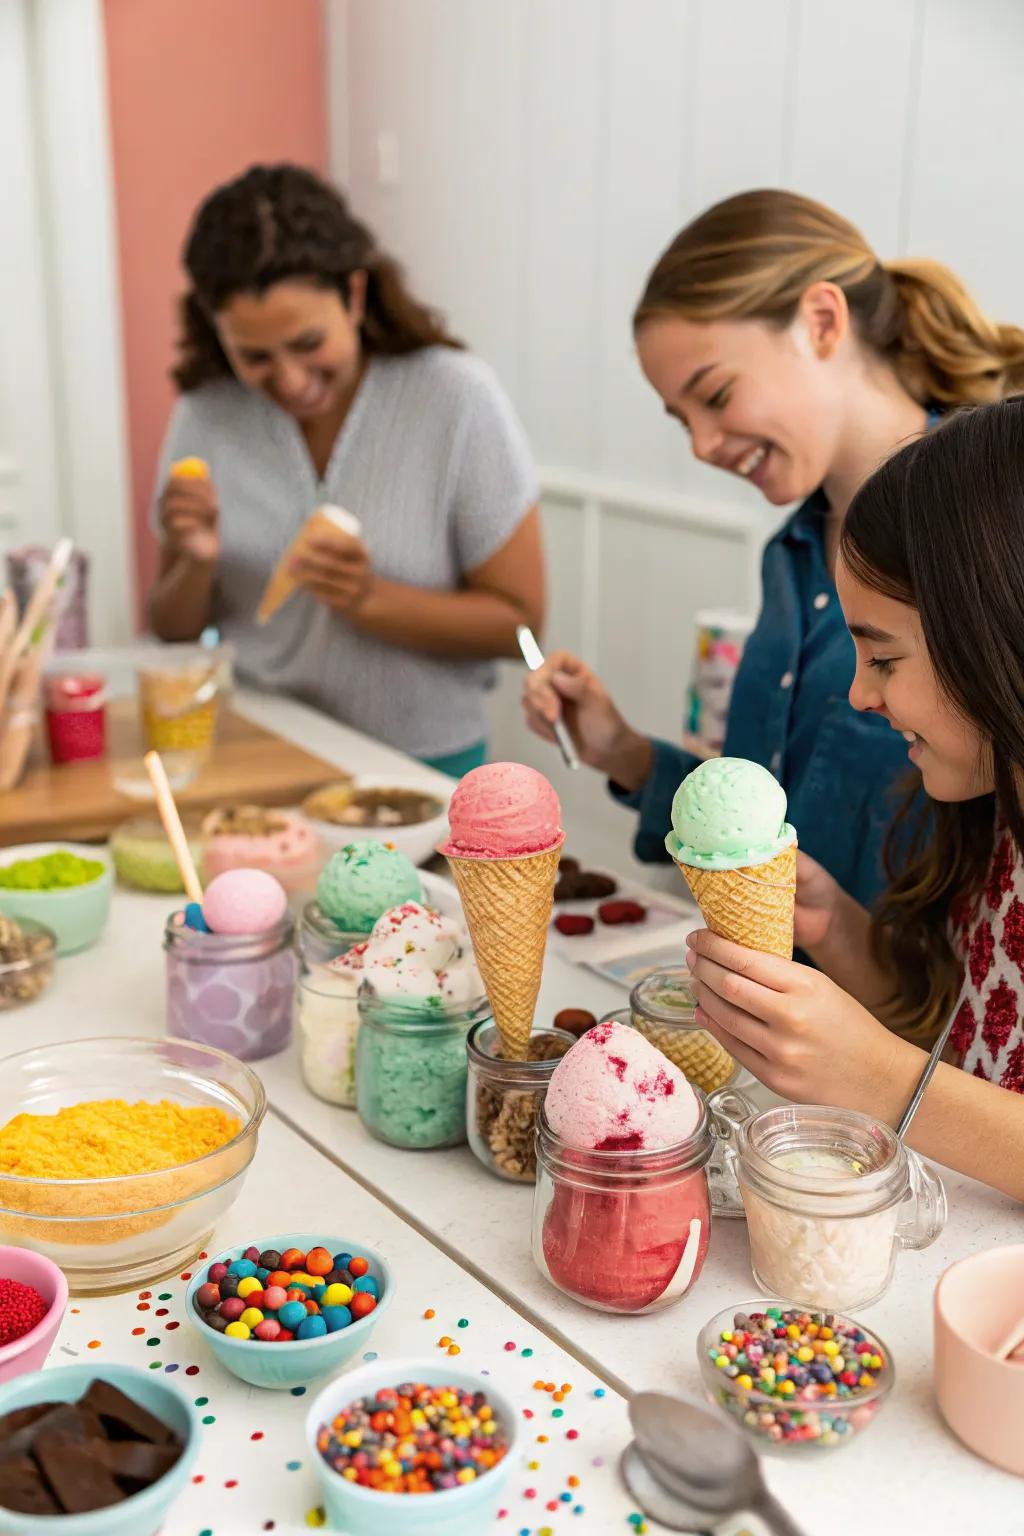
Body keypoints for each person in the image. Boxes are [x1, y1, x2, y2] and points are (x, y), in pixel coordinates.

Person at [523, 190, 1024, 907]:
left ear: (822, 322)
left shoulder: (985, 540)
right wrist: (624, 753)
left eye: (717, 395)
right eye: (680, 420)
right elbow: (767, 829)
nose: (701, 446)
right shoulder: (790, 552)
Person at [688, 400, 1024, 1201]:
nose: (858, 694)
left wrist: (884, 1080)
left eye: (883, 657)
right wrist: (839, 932)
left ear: (997, 637)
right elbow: (967, 1035)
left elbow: (931, 1085)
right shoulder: (996, 827)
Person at [148, 164, 544, 777]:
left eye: (308, 344)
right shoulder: (206, 413)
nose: (290, 381)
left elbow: (520, 627)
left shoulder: (455, 398)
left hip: (420, 767)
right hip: (258, 750)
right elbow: (173, 630)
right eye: (254, 356)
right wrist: (193, 561)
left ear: (355, 296)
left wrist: (370, 600)